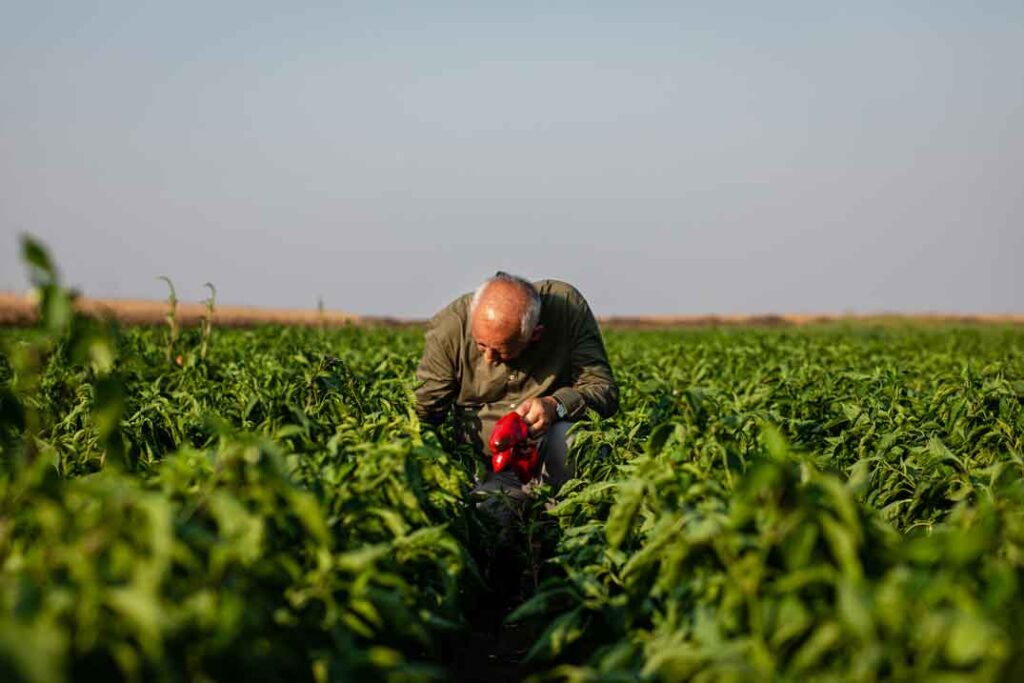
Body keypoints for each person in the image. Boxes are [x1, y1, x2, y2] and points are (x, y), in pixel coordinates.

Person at [414, 271, 618, 510]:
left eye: (501, 350)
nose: (489, 359)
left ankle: (565, 515)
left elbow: (603, 389)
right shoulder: (451, 328)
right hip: (489, 469)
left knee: (571, 438)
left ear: (535, 334)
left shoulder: (566, 310)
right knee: (488, 523)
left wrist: (555, 405)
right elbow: (424, 414)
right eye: (480, 345)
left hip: (547, 462)